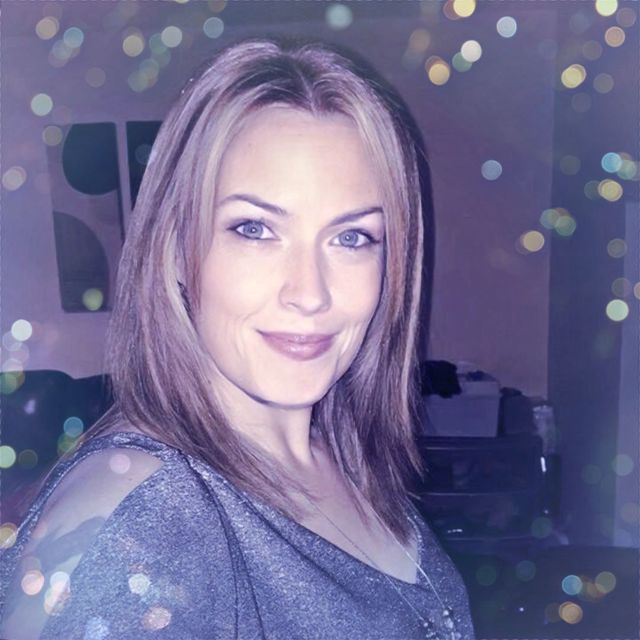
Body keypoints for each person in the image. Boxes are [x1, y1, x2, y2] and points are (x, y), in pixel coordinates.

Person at [0, 37, 475, 639]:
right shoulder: (142, 526)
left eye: (352, 237)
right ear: (177, 250)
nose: (310, 293)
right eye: (254, 229)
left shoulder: (342, 455)